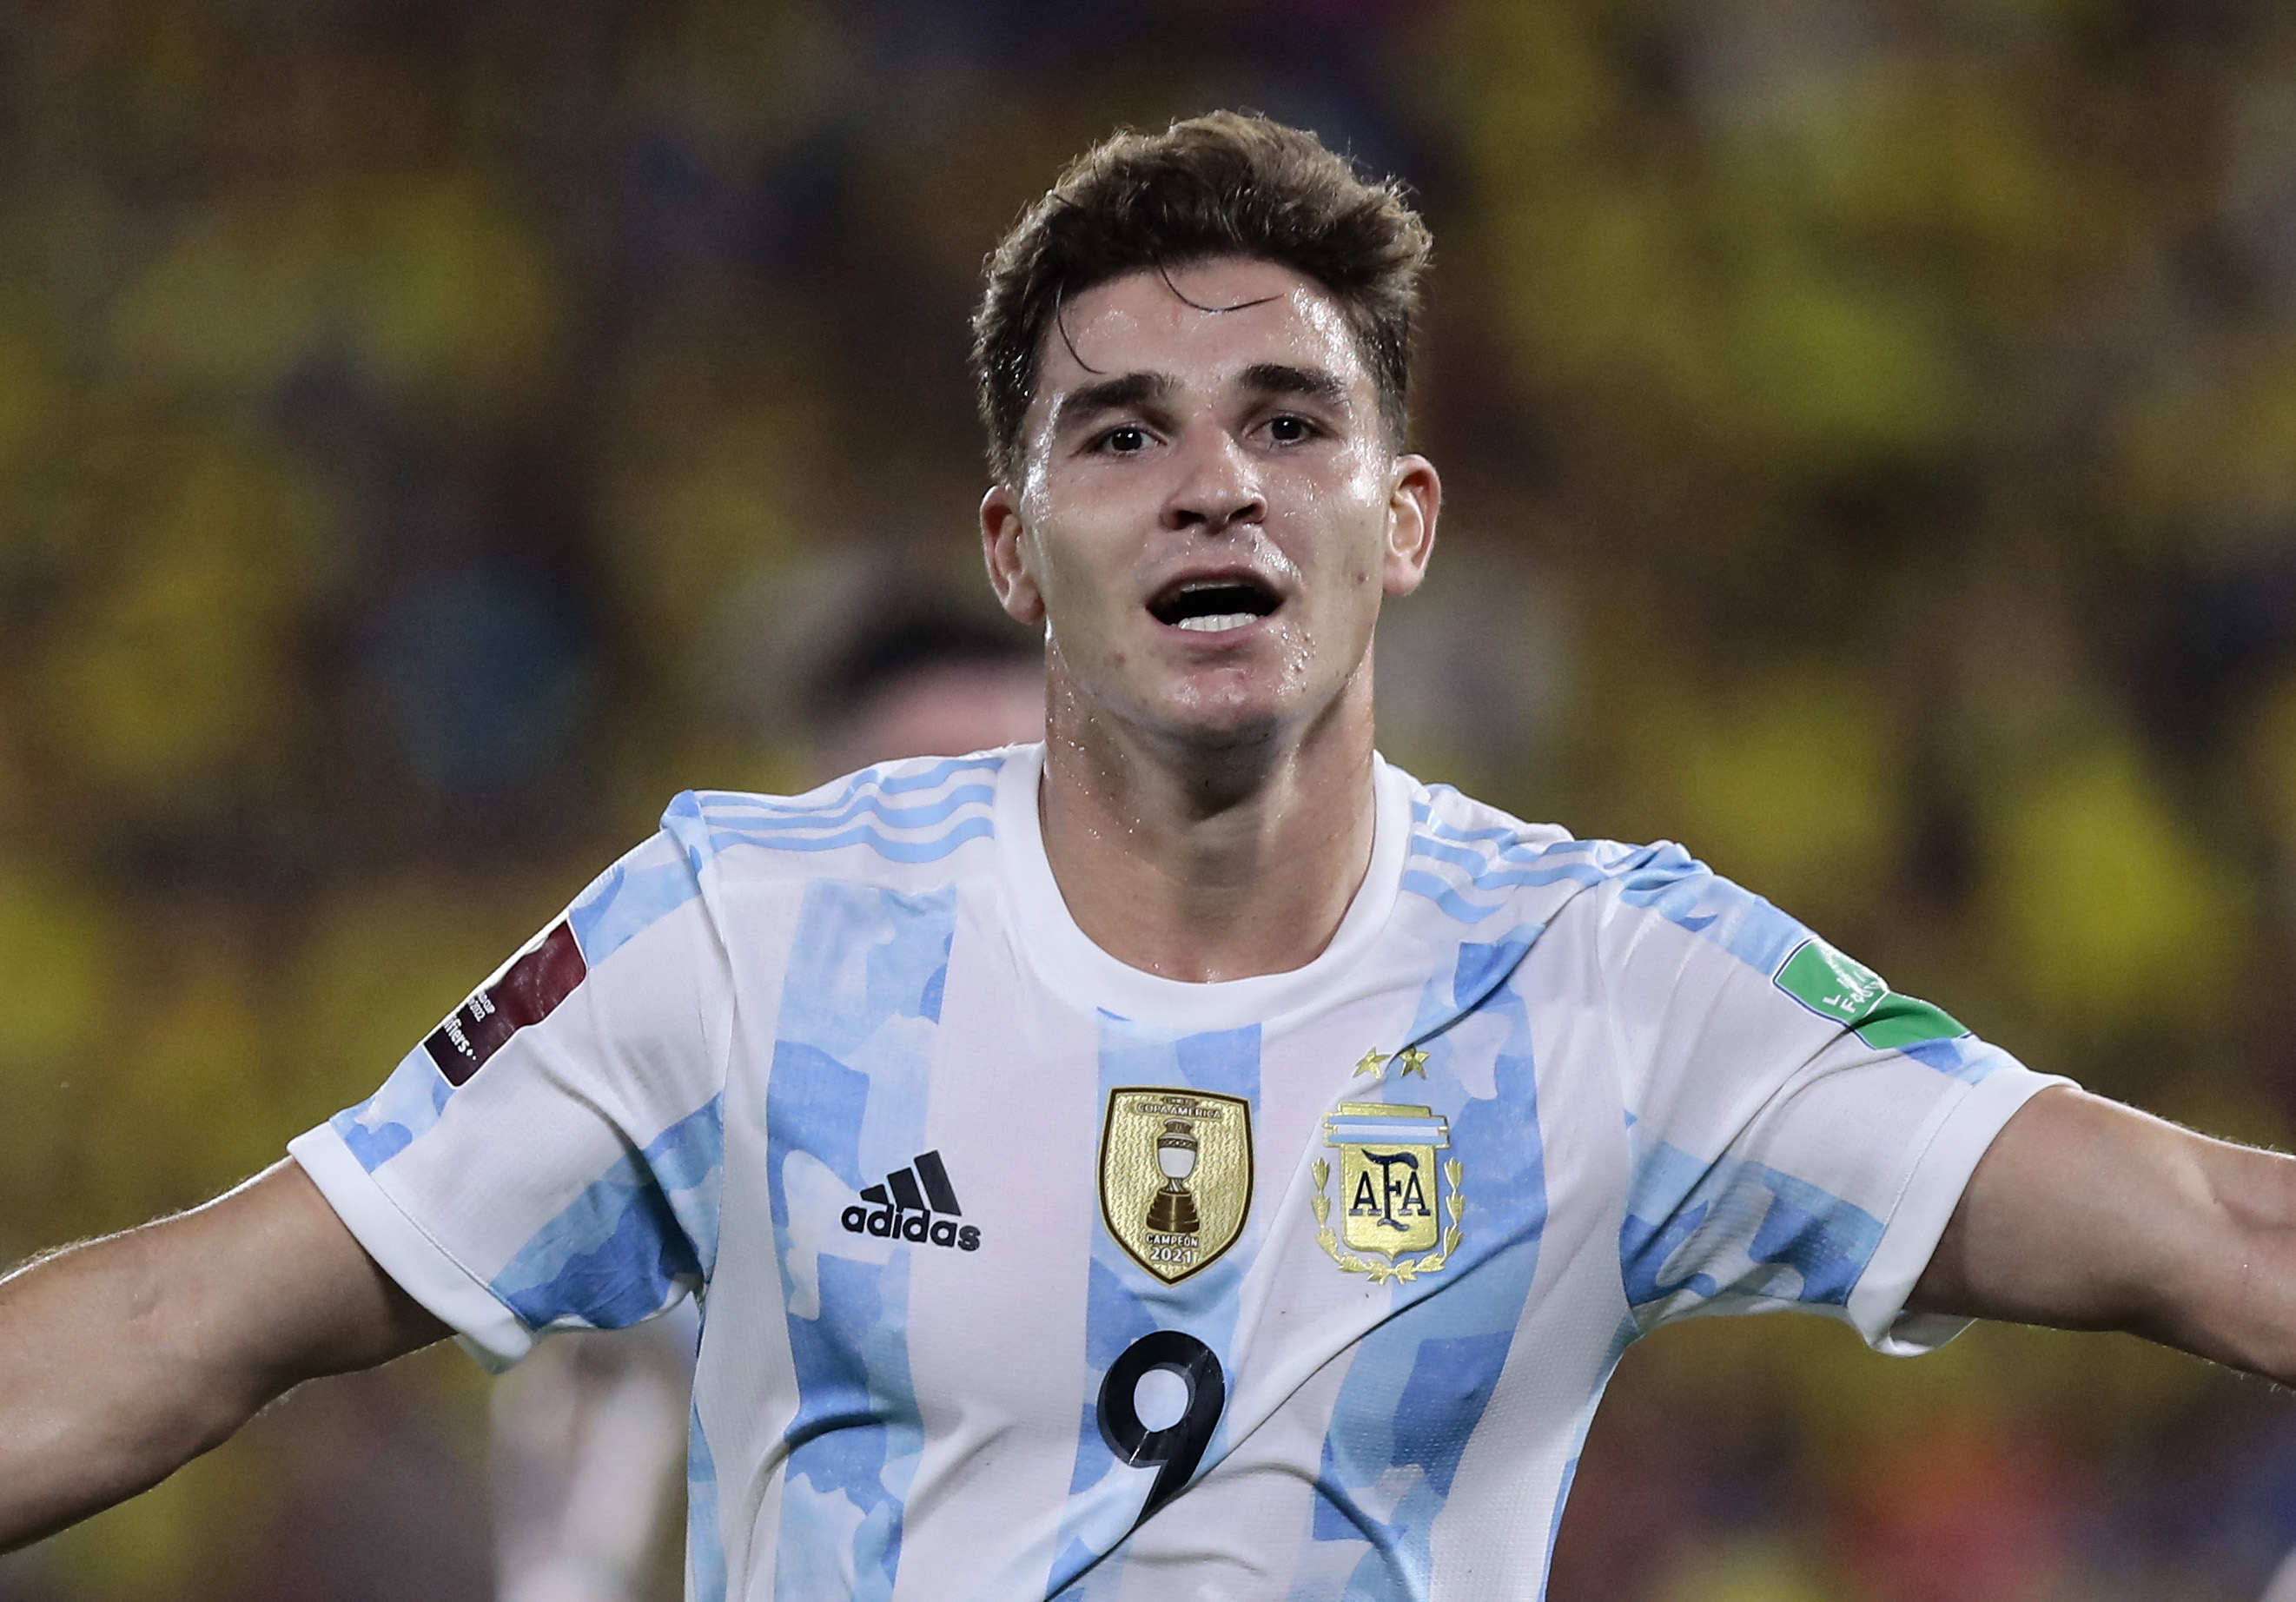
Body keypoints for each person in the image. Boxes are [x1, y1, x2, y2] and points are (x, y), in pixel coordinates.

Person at [3, 110, 2294, 1601]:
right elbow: (181, 1324)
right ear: (1014, 550)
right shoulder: (752, 941)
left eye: (1291, 422)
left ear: (1400, 527)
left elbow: (2211, 1225)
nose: (1217, 482)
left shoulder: (1613, 985)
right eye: (1123, 434)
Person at [489, 593, 1042, 1602]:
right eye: (915, 792)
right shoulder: (712, 1134)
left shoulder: (1216, 1092)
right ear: (817, 818)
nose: (969, 843)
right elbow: (594, 1416)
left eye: (1006, 786)